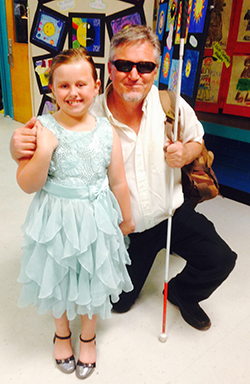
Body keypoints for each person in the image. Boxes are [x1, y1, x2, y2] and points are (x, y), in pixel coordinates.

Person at [10, 25, 237, 333]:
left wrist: (185, 152)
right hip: (124, 229)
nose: (134, 74)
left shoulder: (171, 104)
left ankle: (182, 292)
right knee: (118, 301)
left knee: (221, 259)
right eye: (124, 64)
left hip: (172, 215)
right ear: (110, 68)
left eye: (144, 66)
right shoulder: (89, 114)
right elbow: (49, 142)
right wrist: (16, 148)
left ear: (155, 69)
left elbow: (197, 139)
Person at [15, 47, 135, 380]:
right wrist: (46, 149)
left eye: (81, 84)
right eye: (64, 86)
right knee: (58, 276)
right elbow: (27, 184)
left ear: (97, 86)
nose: (73, 93)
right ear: (51, 88)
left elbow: (119, 181)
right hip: (55, 219)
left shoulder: (106, 131)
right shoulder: (41, 127)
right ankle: (62, 333)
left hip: (96, 219)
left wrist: (126, 218)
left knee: (93, 277)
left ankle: (88, 336)